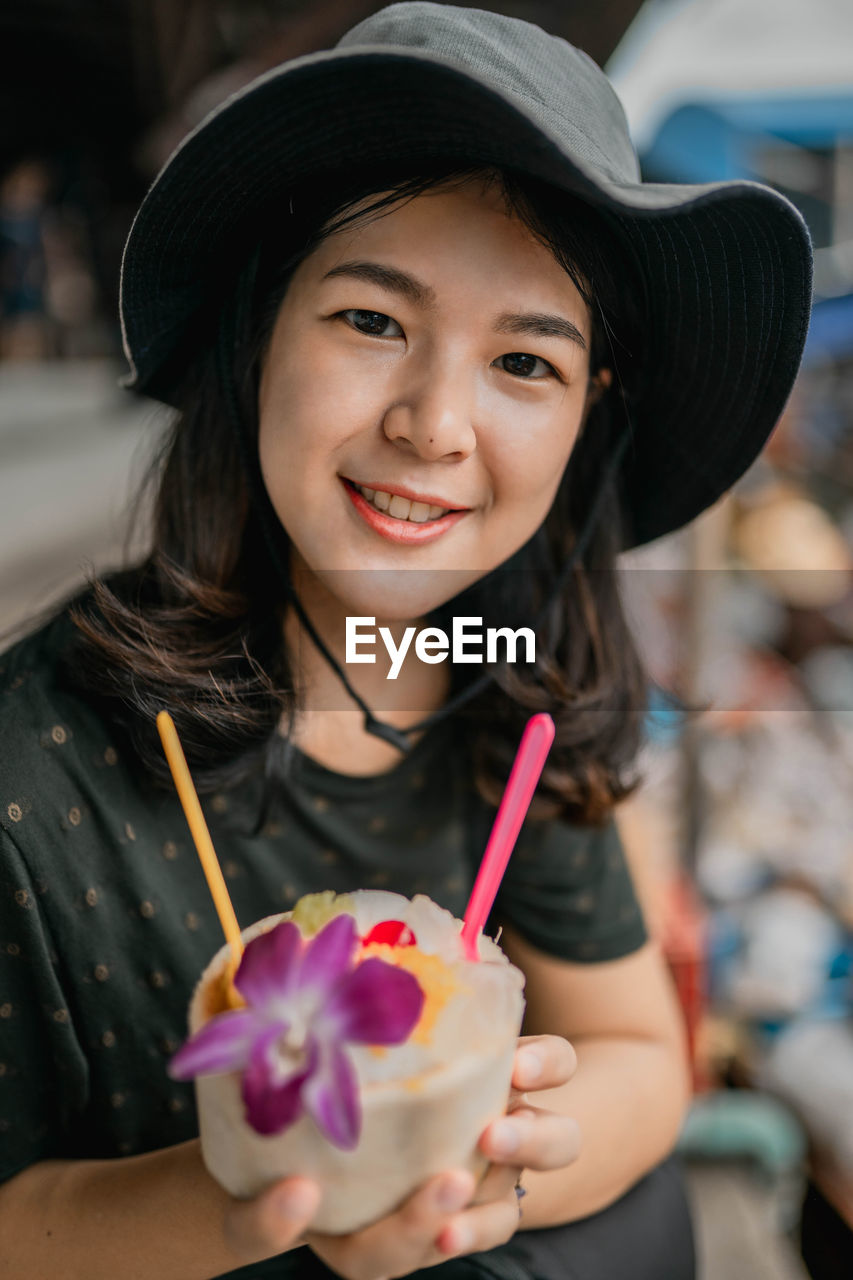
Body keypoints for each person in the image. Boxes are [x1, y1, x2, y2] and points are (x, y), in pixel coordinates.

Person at [0, 4, 811, 1278]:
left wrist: (494, 1163)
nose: (436, 424)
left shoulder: (512, 686)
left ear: (588, 413)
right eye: (372, 321)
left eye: (525, 363)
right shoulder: (32, 769)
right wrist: (245, 1197)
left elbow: (642, 1055)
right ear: (256, 330)